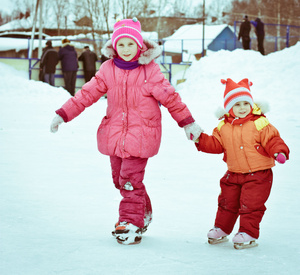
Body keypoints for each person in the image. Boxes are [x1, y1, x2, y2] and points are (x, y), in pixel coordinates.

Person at [50, 18, 203, 245]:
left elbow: (171, 99)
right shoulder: (107, 70)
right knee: (120, 181)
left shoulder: (150, 71)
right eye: (121, 45)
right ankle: (142, 213)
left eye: (131, 44)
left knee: (130, 181)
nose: (126, 49)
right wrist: (64, 114)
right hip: (114, 135)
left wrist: (188, 123)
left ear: (140, 45)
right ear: (114, 47)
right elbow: (86, 94)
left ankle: (130, 223)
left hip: (141, 136)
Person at [194, 78, 289, 249]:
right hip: (234, 173)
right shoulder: (223, 126)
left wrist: (279, 151)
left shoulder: (260, 123)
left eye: (246, 103)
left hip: (259, 174)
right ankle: (222, 229)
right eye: (237, 104)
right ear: (229, 107)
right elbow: (215, 144)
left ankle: (248, 233)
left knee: (251, 204)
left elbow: (272, 139)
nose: (242, 108)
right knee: (226, 202)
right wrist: (199, 138)